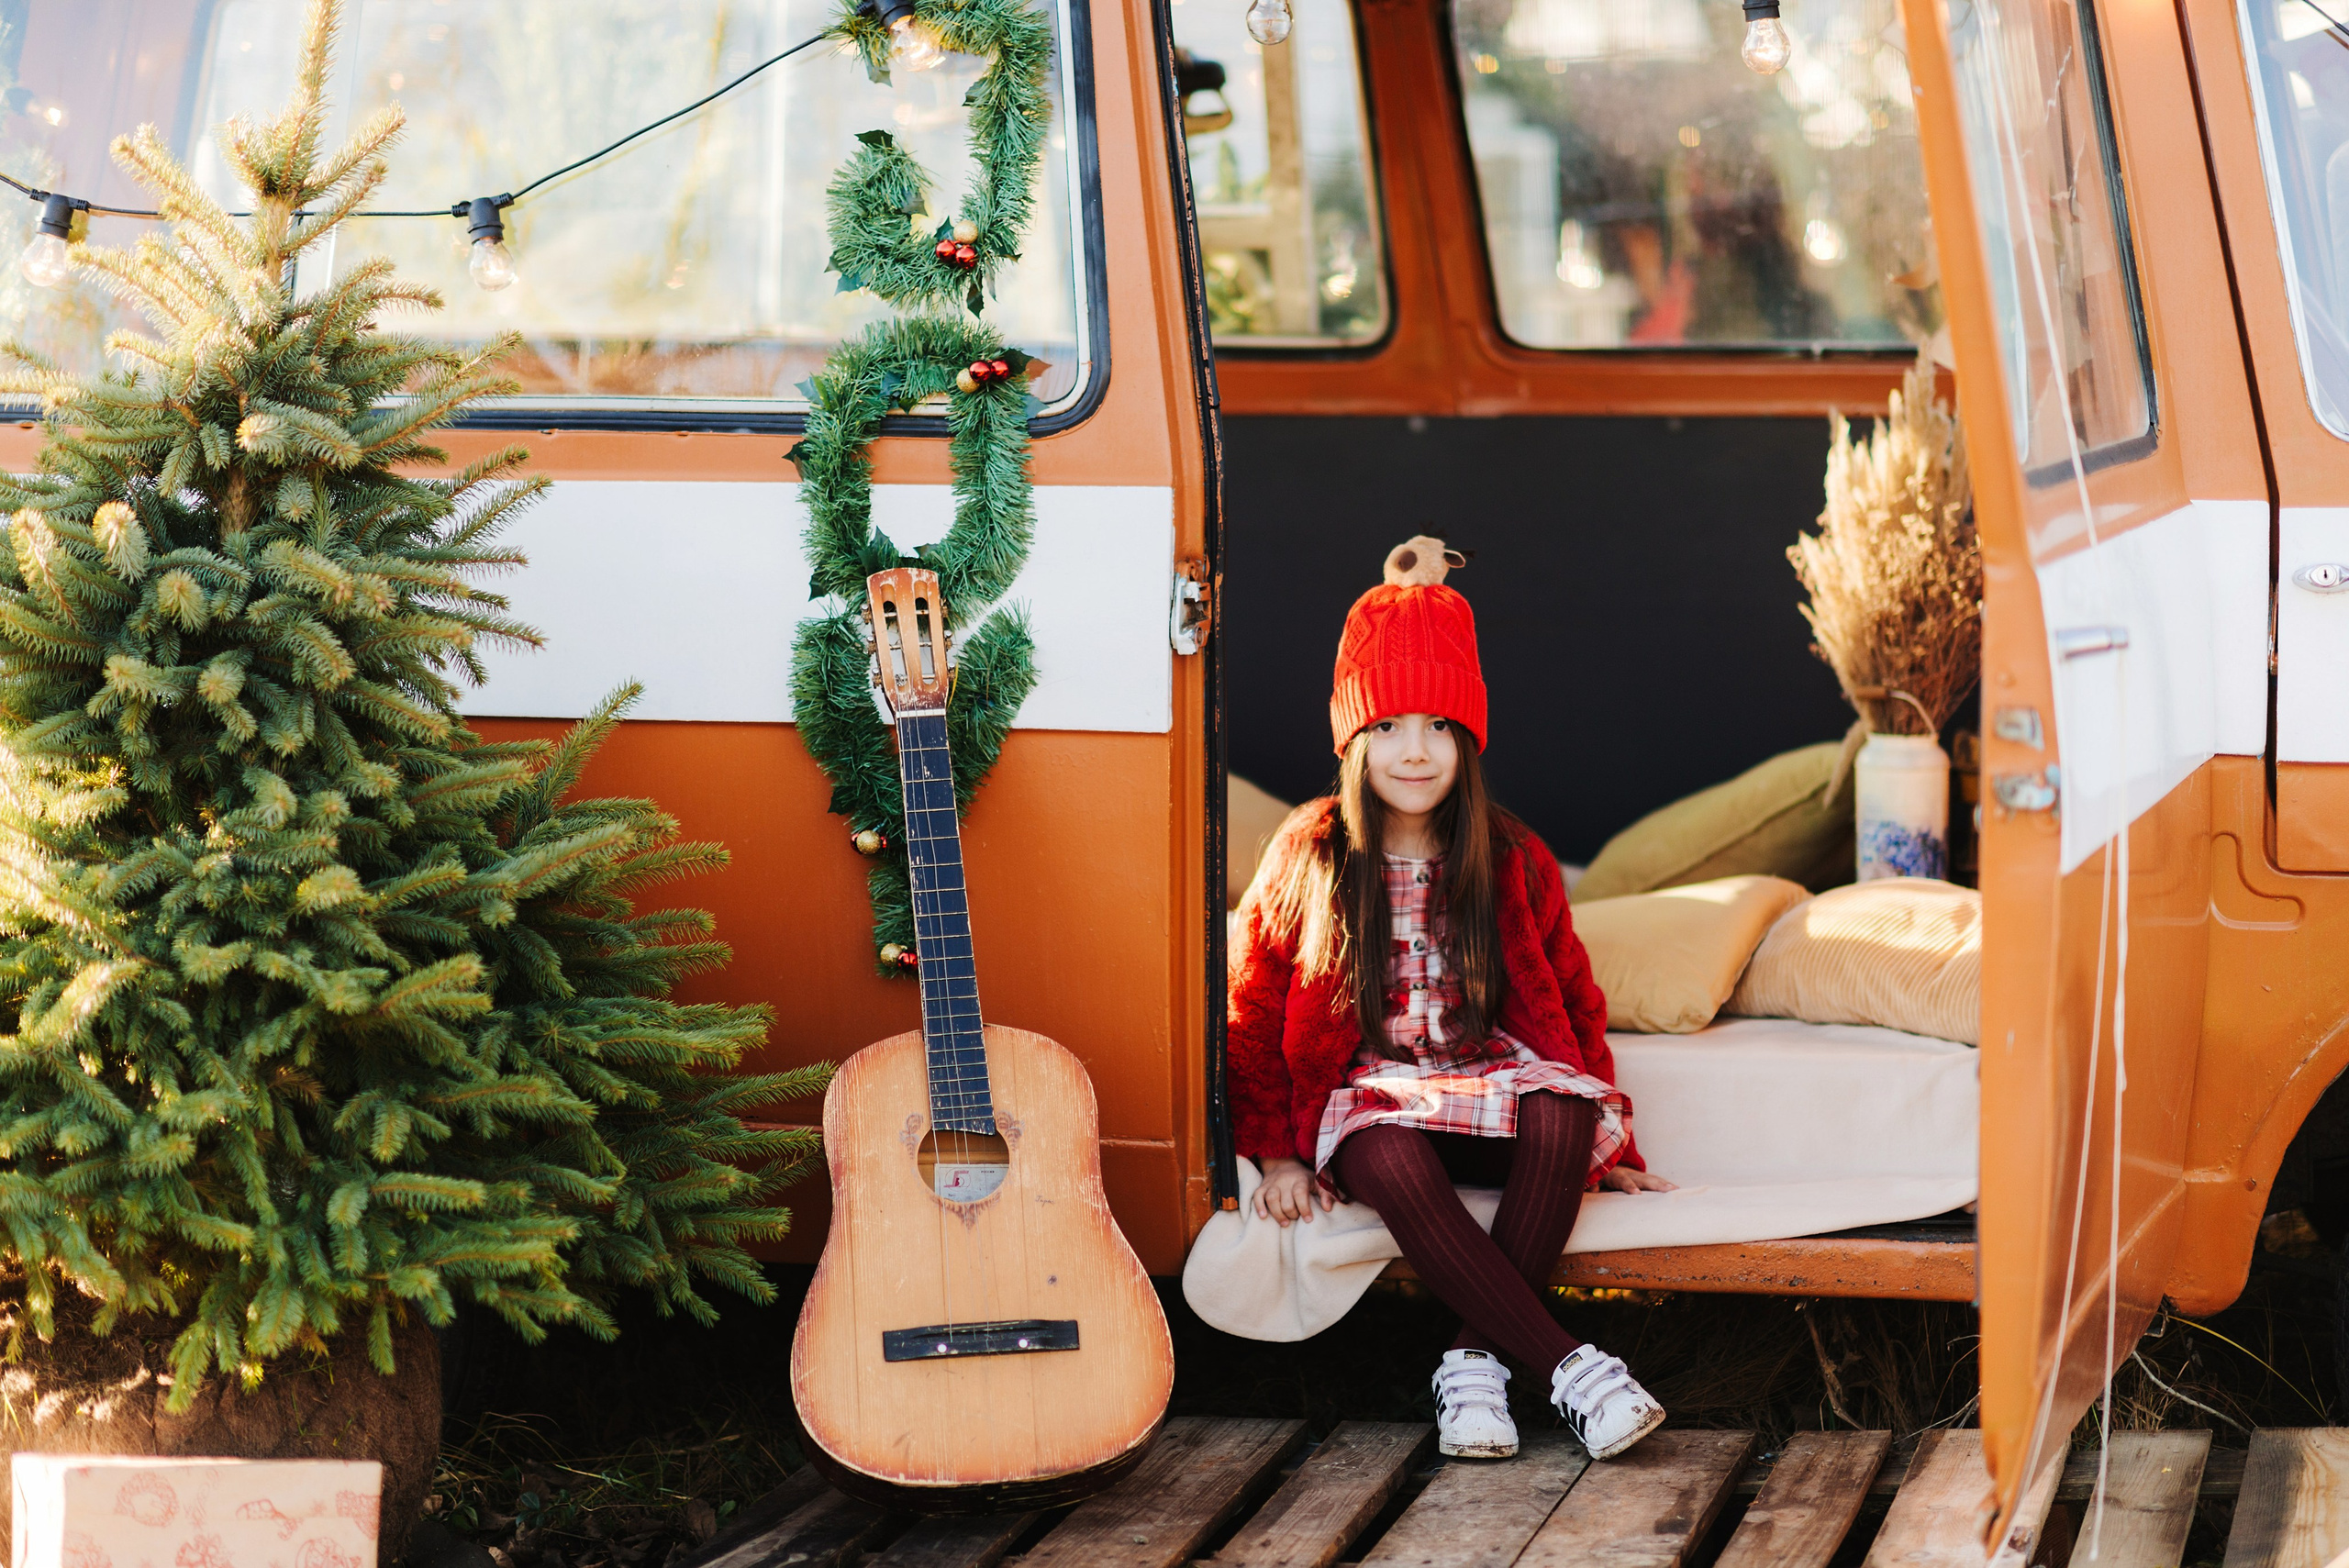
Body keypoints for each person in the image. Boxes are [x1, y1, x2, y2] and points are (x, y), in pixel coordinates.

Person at [1226, 535, 1674, 1462]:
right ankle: (1570, 1366)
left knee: (1560, 1111)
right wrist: (1273, 1153)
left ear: (1468, 737)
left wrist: (1614, 1139)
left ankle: (1471, 1362)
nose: (1414, 751)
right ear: (1352, 739)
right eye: (1387, 727)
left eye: (1437, 725)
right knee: (1382, 1152)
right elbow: (1254, 1003)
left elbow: (1572, 998)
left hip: (1481, 1071)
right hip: (1377, 1091)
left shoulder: (1508, 853)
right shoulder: (1310, 851)